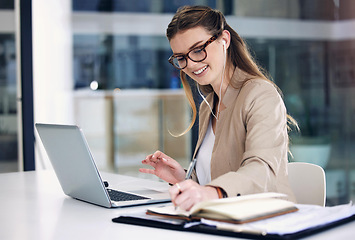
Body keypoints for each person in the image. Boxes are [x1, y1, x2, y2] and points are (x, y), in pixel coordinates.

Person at [139, 5, 296, 211]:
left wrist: (209, 192)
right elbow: (217, 175)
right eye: (181, 57)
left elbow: (262, 169)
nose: (191, 64)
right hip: (220, 219)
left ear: (224, 40)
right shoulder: (209, 105)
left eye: (198, 50)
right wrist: (182, 177)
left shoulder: (260, 94)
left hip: (264, 219)